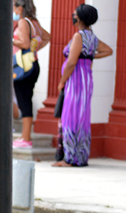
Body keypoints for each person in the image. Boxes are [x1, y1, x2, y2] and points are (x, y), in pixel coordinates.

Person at [53, 4, 112, 167]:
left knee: (70, 116)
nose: (73, 16)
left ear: (80, 18)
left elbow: (71, 62)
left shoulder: (79, 36)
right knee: (81, 117)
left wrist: (62, 81)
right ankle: (80, 156)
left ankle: (70, 158)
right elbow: (108, 51)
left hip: (75, 80)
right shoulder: (92, 37)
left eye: (74, 14)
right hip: (86, 80)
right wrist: (88, 58)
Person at [12, 0, 51, 149]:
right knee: (26, 100)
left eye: (14, 7)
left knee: (24, 102)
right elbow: (47, 37)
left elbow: (25, 43)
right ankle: (24, 136)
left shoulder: (23, 22)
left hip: (23, 67)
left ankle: (26, 138)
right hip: (33, 64)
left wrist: (11, 40)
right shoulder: (34, 22)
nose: (13, 10)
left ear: (20, 8)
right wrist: (34, 49)